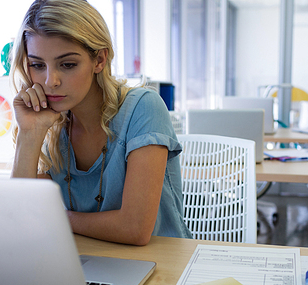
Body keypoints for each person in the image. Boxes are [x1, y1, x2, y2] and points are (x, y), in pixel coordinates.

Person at [10, 0, 192, 245]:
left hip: (163, 269)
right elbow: (21, 217)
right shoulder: (51, 123)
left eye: (67, 64)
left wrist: (56, 217)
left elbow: (134, 229)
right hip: (89, 264)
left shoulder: (144, 107)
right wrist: (29, 133)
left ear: (99, 60)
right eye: (37, 65)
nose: (50, 81)